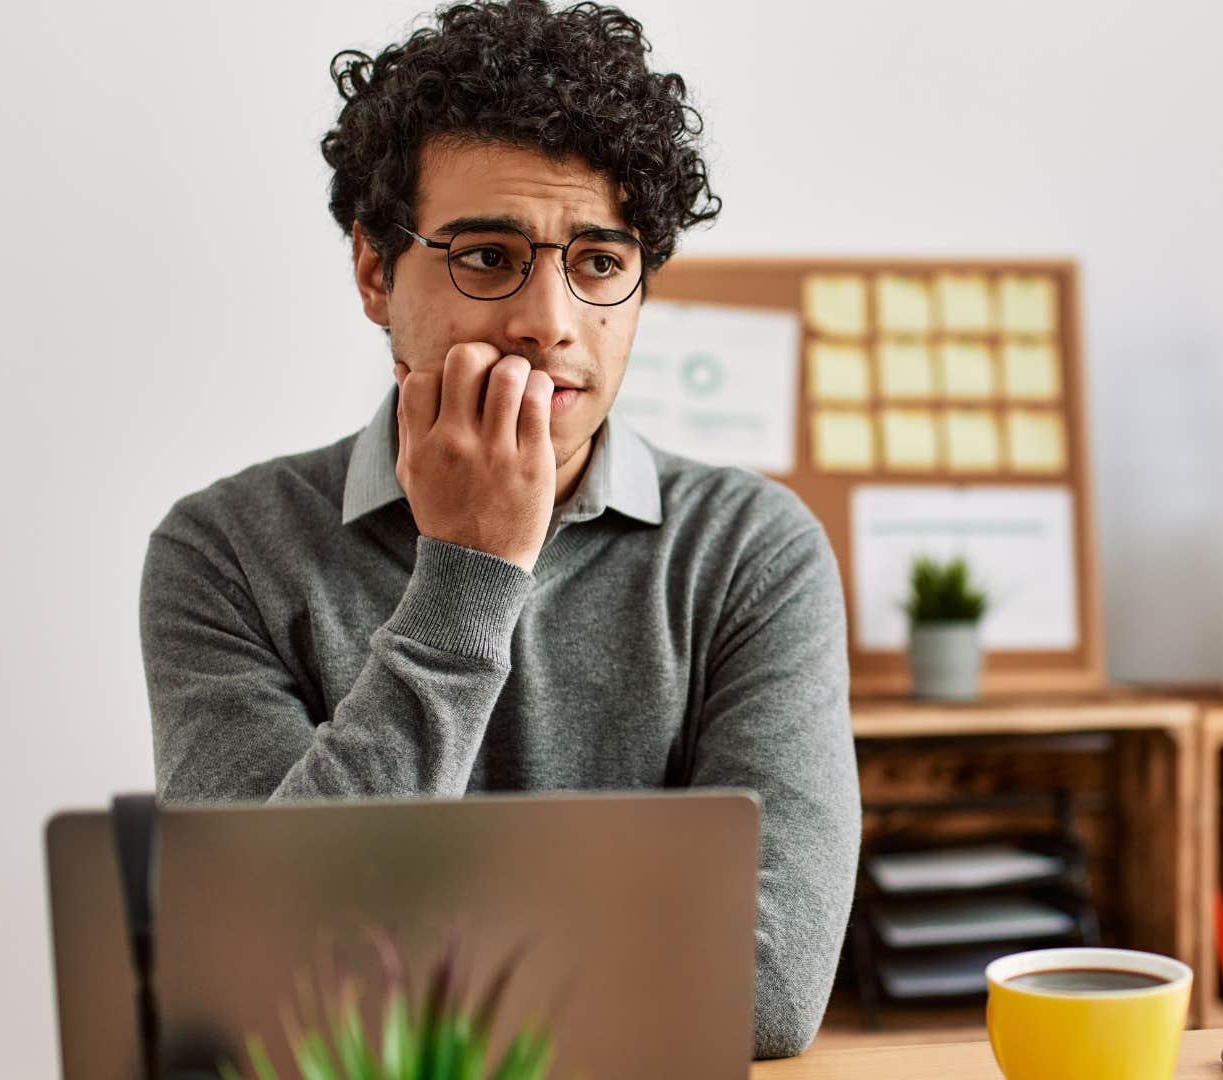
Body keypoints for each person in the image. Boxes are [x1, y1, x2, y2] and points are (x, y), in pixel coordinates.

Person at [138, 0, 859, 1058]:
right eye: (487, 256)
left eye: (601, 263)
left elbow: (765, 991)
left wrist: (391, 961)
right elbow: (271, 975)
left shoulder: (752, 552)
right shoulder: (223, 553)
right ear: (376, 273)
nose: (551, 321)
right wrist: (471, 572)